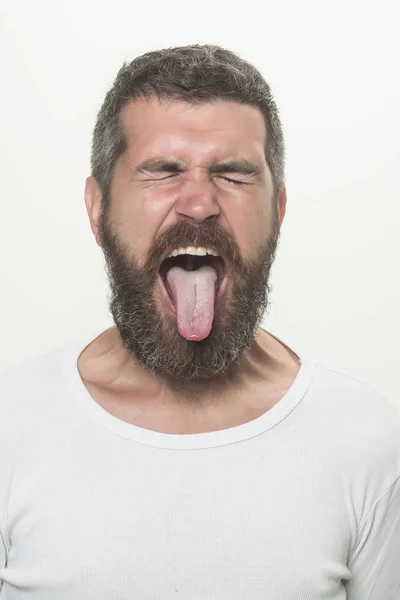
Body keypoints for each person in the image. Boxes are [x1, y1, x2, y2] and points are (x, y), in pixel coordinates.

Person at [0, 44, 399, 600]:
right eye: (162, 171)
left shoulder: (367, 438)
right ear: (98, 209)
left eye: (233, 175)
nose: (198, 203)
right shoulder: (10, 425)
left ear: (278, 212)